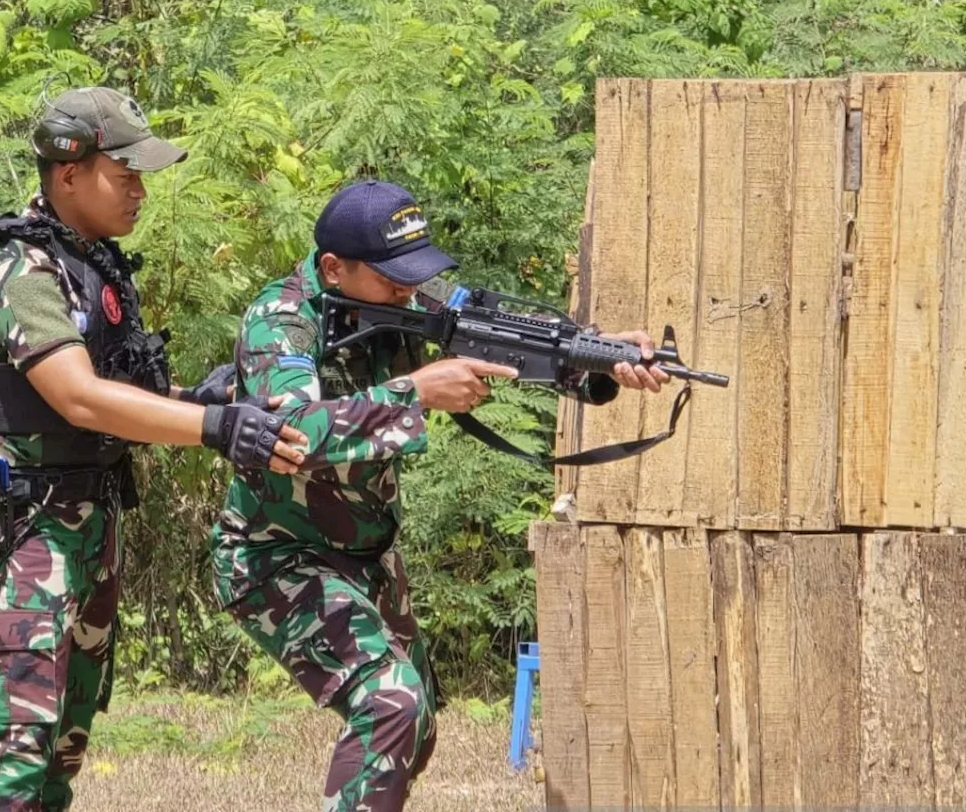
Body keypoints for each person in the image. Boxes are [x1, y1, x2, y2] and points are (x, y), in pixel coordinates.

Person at [209, 179, 667, 812]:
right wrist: (416, 392)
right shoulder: (279, 321)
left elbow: (507, 335)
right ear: (334, 268)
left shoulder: (403, 295)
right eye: (394, 276)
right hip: (277, 556)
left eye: (414, 273)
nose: (409, 289)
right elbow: (294, 434)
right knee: (389, 704)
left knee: (414, 729)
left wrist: (601, 357)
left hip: (370, 556)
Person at [0, 86, 307, 812]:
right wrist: (214, 427)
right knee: (18, 750)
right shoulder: (18, 270)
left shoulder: (96, 263)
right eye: (125, 173)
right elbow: (77, 395)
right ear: (69, 173)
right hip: (31, 536)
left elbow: (126, 392)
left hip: (89, 527)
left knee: (65, 747)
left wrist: (200, 402)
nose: (140, 190)